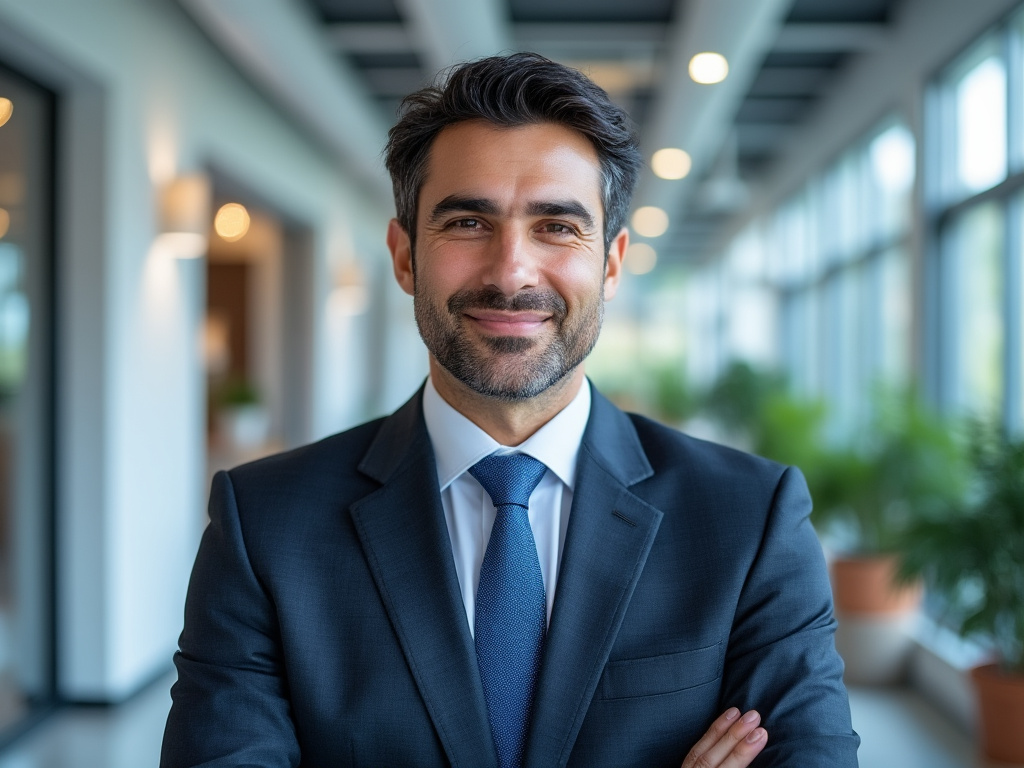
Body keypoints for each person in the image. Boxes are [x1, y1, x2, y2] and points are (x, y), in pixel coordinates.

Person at [161, 52, 859, 767]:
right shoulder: (266, 524)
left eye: (557, 226)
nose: (511, 272)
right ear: (405, 256)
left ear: (611, 263)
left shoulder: (749, 519)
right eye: (468, 222)